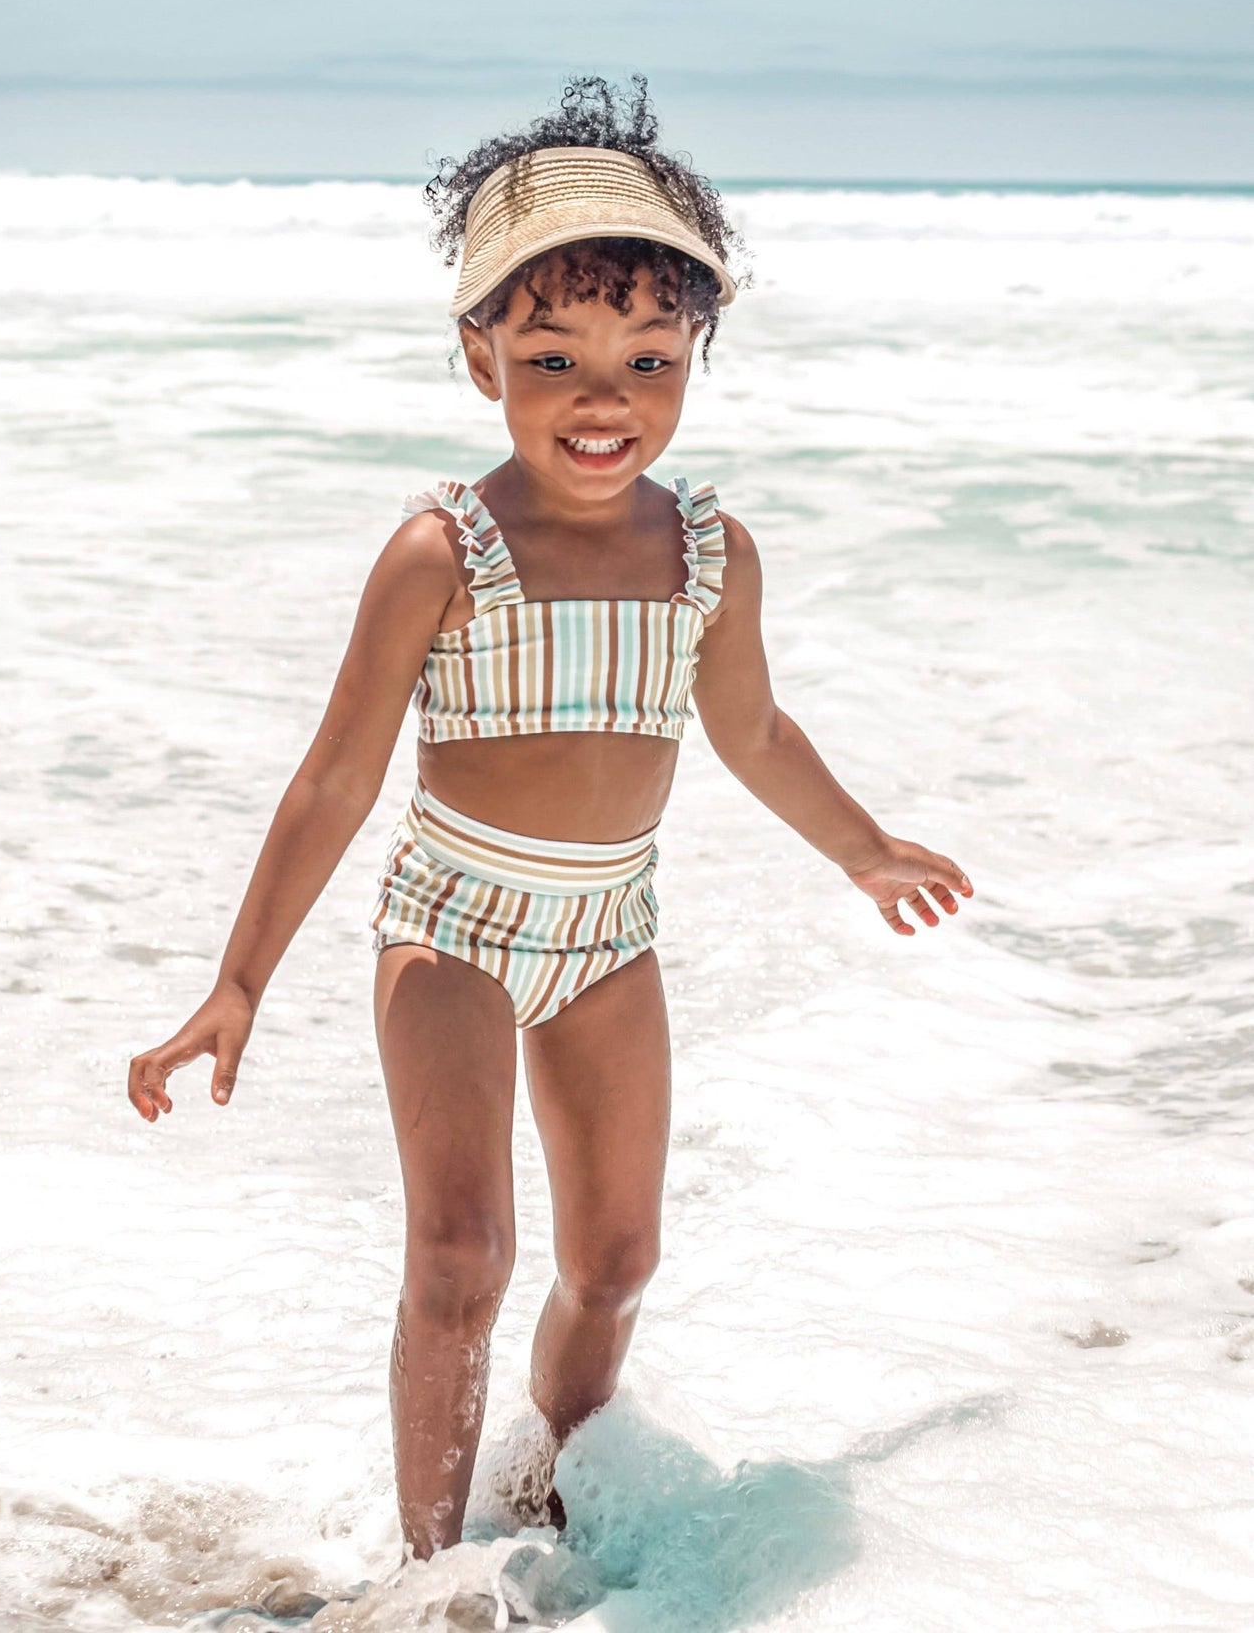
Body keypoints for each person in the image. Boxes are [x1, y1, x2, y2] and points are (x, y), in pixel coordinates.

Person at [127, 77, 973, 1562]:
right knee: (461, 1253)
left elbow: (753, 733)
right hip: (449, 925)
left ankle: (558, 1503)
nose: (606, 400)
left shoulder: (708, 551)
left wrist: (861, 847)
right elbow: (334, 777)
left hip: (606, 935)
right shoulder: (440, 549)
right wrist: (236, 983)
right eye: (554, 357)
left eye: (649, 358)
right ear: (478, 359)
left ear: (694, 353)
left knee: (616, 1259)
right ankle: (428, 1567)